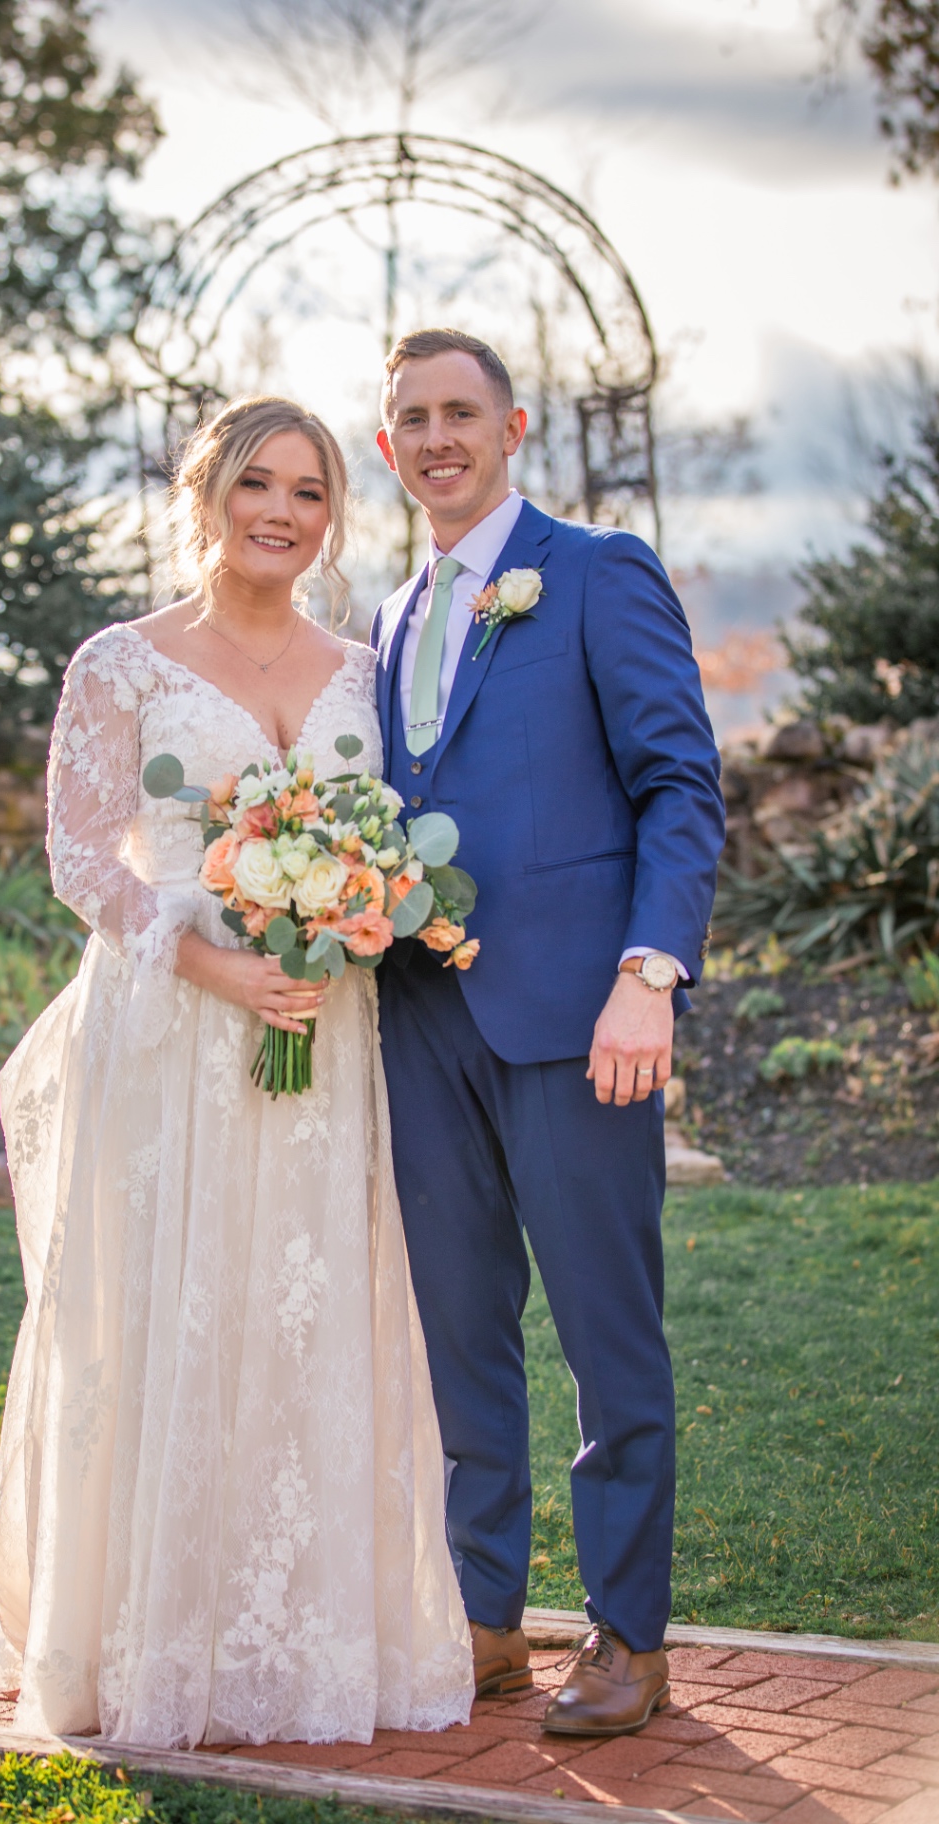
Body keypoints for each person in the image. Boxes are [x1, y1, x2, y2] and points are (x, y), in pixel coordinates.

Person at [0, 394, 474, 1749]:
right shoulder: (121, 664)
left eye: (309, 493)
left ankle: (303, 1644)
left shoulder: (365, 667)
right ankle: (146, 1641)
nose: (280, 512)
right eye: (256, 483)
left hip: (325, 1032)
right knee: (162, 1315)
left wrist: (361, 910)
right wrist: (214, 968)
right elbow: (83, 856)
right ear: (205, 494)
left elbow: (396, 841)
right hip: (170, 1041)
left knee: (309, 1312)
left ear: (331, 517)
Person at [371, 329, 726, 1736]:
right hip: (417, 1019)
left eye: (462, 412)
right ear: (388, 446)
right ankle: (486, 1618)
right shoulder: (392, 616)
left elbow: (679, 783)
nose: (439, 436)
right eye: (413, 419)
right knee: (460, 1334)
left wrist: (651, 972)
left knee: (605, 1334)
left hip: (582, 1022)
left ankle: (629, 1635)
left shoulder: (595, 573)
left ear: (513, 427)